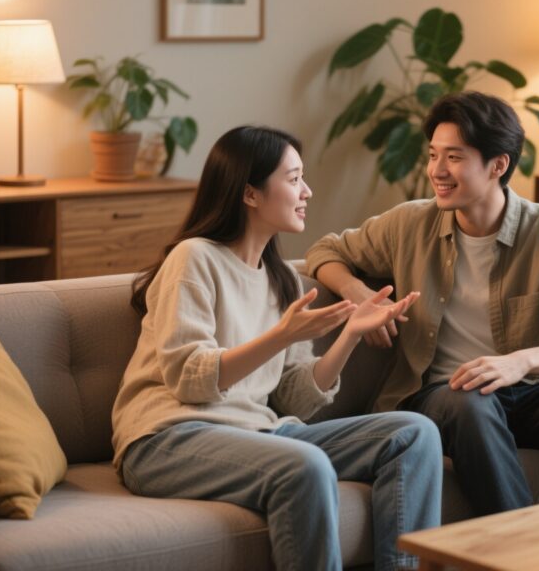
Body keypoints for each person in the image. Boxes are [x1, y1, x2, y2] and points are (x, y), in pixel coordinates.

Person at [306, 91, 539, 517]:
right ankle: (520, 553)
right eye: (433, 154)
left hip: (528, 396)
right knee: (469, 397)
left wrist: (520, 363)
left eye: (454, 158)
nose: (437, 171)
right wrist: (357, 292)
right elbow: (324, 251)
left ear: (498, 165)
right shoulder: (409, 223)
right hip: (441, 400)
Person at [112, 126, 442, 571]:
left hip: (260, 433)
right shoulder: (194, 258)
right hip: (166, 439)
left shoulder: (281, 279)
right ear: (250, 194)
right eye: (293, 179)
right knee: (304, 465)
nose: (306, 192)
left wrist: (348, 334)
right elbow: (189, 380)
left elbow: (296, 400)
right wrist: (280, 336)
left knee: (414, 434)